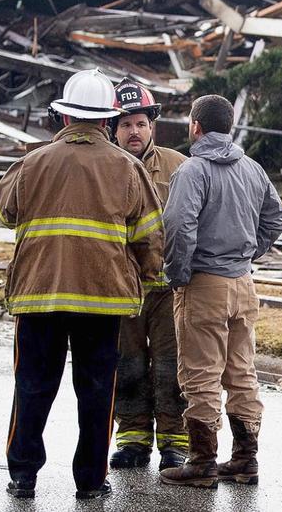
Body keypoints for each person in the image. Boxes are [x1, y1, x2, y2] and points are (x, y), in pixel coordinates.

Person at [0, 69, 164, 500]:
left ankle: (23, 476)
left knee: (32, 386)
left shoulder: (33, 161)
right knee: (95, 393)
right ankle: (90, 481)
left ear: (64, 118)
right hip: (101, 301)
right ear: (108, 120)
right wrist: (148, 275)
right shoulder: (128, 167)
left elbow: (5, 211)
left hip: (38, 297)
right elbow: (149, 233)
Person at [159, 94, 282, 489]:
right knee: (242, 374)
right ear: (228, 127)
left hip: (204, 282)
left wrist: (178, 274)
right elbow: (275, 218)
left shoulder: (192, 171)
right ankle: (246, 461)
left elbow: (179, 226)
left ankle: (202, 463)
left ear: (195, 126)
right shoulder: (252, 168)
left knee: (200, 375)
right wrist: (250, 252)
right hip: (243, 284)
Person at [107, 78, 190, 471]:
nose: (133, 132)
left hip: (168, 289)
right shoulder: (103, 168)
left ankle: (175, 441)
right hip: (121, 290)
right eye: (125, 124)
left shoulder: (179, 166)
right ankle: (132, 438)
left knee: (172, 365)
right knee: (128, 365)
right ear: (112, 128)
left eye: (140, 123)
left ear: (152, 125)